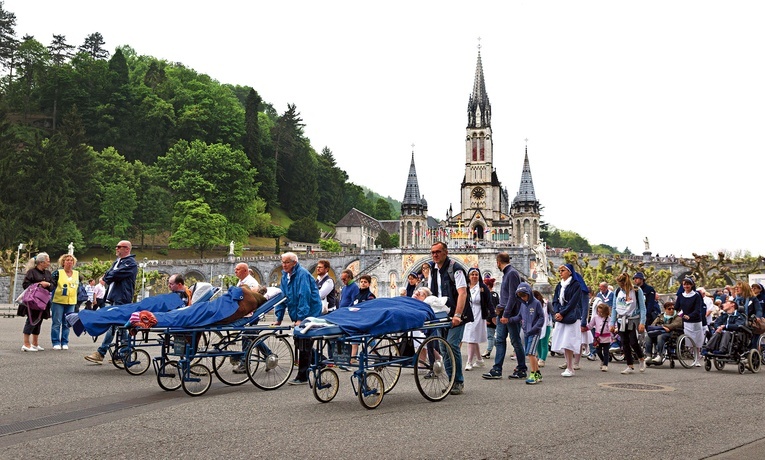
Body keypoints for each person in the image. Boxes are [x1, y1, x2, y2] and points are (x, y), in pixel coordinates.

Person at [85, 240, 138, 364]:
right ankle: (124, 354)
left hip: (122, 298)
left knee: (113, 325)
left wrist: (107, 277)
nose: (117, 249)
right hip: (114, 297)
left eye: (119, 247)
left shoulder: (130, 263)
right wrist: (108, 276)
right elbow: (109, 273)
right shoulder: (117, 262)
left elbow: (115, 274)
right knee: (121, 326)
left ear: (127, 249)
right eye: (116, 247)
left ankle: (101, 352)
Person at [273, 252, 322, 385]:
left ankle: (303, 376)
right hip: (298, 313)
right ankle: (320, 360)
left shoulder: (302, 274)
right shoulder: (285, 276)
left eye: (287, 262)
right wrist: (279, 317)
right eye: (282, 262)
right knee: (298, 341)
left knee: (304, 344)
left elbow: (304, 297)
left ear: (294, 263)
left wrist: (301, 318)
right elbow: (282, 297)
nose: (284, 265)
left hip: (309, 312)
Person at [429, 241, 469, 395]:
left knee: (452, 345)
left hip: (456, 313)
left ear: (445, 252)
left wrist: (458, 315)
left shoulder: (455, 269)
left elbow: (463, 293)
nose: (435, 255)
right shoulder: (433, 270)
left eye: (438, 252)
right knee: (444, 350)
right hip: (440, 314)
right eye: (432, 252)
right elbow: (432, 295)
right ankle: (451, 380)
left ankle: (458, 381)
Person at [482, 252, 526, 380]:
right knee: (500, 340)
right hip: (503, 311)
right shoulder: (508, 273)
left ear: (498, 262)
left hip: (509, 313)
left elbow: (513, 295)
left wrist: (506, 313)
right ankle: (497, 369)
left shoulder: (511, 273)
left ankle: (522, 368)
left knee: (515, 341)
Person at [504, 282, 545, 384]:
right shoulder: (523, 305)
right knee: (529, 353)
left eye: (524, 295)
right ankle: (537, 373)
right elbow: (519, 317)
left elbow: (541, 317)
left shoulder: (536, 303)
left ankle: (533, 373)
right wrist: (508, 320)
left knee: (531, 353)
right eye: (520, 296)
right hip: (527, 331)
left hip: (534, 332)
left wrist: (535, 328)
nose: (523, 298)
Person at [610, 272, 647, 374]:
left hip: (633, 318)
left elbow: (643, 308)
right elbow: (614, 307)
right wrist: (612, 323)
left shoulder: (636, 290)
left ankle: (641, 358)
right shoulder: (618, 291)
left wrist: (642, 322)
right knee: (624, 343)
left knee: (633, 341)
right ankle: (629, 365)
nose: (621, 286)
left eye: (622, 284)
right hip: (621, 319)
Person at [551, 264, 584, 377]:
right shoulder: (559, 286)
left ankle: (571, 367)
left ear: (570, 272)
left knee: (569, 342)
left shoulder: (576, 285)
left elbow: (573, 302)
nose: (560, 273)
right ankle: (568, 366)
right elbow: (555, 300)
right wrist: (556, 312)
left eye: (563, 270)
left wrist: (562, 312)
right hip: (561, 315)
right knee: (563, 342)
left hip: (571, 316)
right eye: (559, 271)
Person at [19, 253, 53, 352]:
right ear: (41, 262)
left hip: (44, 300)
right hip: (33, 301)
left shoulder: (48, 273)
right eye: (48, 260)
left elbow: (53, 285)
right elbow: (26, 285)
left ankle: (35, 343)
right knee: (31, 320)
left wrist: (48, 284)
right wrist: (38, 285)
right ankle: (26, 343)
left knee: (39, 320)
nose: (49, 262)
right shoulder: (31, 272)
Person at [50, 253, 83, 350]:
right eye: (67, 260)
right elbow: (52, 285)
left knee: (67, 323)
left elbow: (79, 287)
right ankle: (55, 342)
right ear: (63, 262)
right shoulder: (57, 273)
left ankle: (65, 341)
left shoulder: (77, 274)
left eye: (71, 260)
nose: (69, 262)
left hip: (71, 301)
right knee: (57, 322)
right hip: (58, 300)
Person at [463, 268, 491, 371]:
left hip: (478, 313)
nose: (474, 276)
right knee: (473, 337)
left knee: (472, 337)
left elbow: (489, 302)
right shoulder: (465, 287)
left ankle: (469, 361)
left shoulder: (482, 287)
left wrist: (491, 315)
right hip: (468, 314)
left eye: (476, 274)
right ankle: (479, 359)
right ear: (469, 276)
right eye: (472, 274)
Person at [676, 276, 705, 367]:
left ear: (692, 285)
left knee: (697, 341)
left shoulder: (696, 295)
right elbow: (677, 307)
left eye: (688, 284)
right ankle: (692, 355)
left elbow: (698, 309)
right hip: (686, 321)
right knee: (689, 340)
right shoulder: (681, 295)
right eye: (684, 284)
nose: (686, 286)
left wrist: (690, 315)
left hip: (695, 320)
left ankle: (697, 359)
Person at [587, 302, 613, 371]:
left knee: (606, 352)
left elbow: (611, 326)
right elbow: (591, 325)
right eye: (598, 312)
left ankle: (605, 365)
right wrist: (585, 328)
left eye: (601, 312)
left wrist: (613, 330)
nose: (599, 313)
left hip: (606, 338)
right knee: (598, 351)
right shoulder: (595, 318)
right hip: (598, 338)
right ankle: (602, 360)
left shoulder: (609, 319)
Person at [534, 290, 552, 368]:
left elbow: (552, 312)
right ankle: (539, 358)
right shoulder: (533, 305)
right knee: (538, 342)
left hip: (546, 325)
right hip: (537, 326)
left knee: (544, 343)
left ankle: (542, 359)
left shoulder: (546, 304)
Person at [482, 276, 498, 359]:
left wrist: (487, 319)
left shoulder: (488, 295)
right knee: (491, 335)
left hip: (490, 317)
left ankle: (488, 351)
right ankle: (498, 346)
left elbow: (489, 308)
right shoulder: (495, 294)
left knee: (490, 336)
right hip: (495, 317)